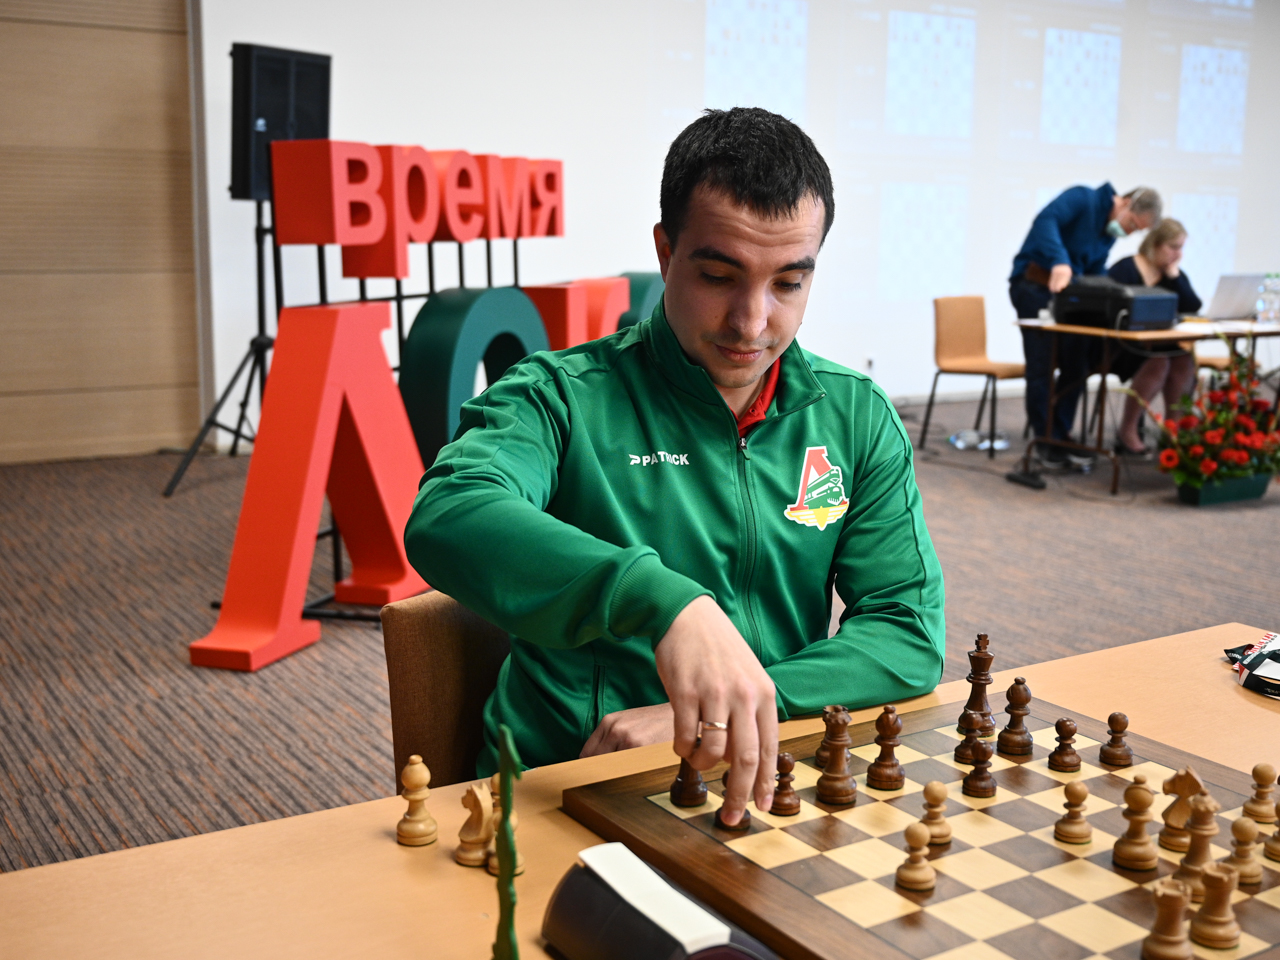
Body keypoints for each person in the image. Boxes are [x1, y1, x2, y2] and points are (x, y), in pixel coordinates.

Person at [405, 107, 945, 828]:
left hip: (758, 781)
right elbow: (448, 514)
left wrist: (730, 709)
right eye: (719, 276)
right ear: (665, 252)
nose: (752, 321)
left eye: (788, 284)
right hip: (567, 789)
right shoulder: (558, 396)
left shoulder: (854, 416)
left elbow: (907, 633)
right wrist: (663, 602)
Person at [1009, 184, 1162, 462]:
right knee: (1042, 364)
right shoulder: (1082, 198)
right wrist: (1060, 261)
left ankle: (1061, 433)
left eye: (1135, 231)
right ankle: (1045, 439)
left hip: (1069, 300)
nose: (1128, 232)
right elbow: (1046, 221)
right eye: (1131, 224)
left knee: (1077, 364)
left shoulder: (1107, 234)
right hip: (1034, 287)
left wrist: (1106, 293)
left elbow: (1094, 270)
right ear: (1125, 203)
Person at [1107, 218, 1201, 455]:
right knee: (1159, 362)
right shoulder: (1125, 269)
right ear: (1154, 244)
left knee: (1182, 358)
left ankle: (1173, 429)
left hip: (1159, 346)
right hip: (1122, 346)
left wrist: (1174, 277)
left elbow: (1193, 306)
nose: (1178, 254)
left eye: (1181, 248)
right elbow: (1107, 307)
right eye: (1173, 247)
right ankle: (1128, 430)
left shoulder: (1173, 274)